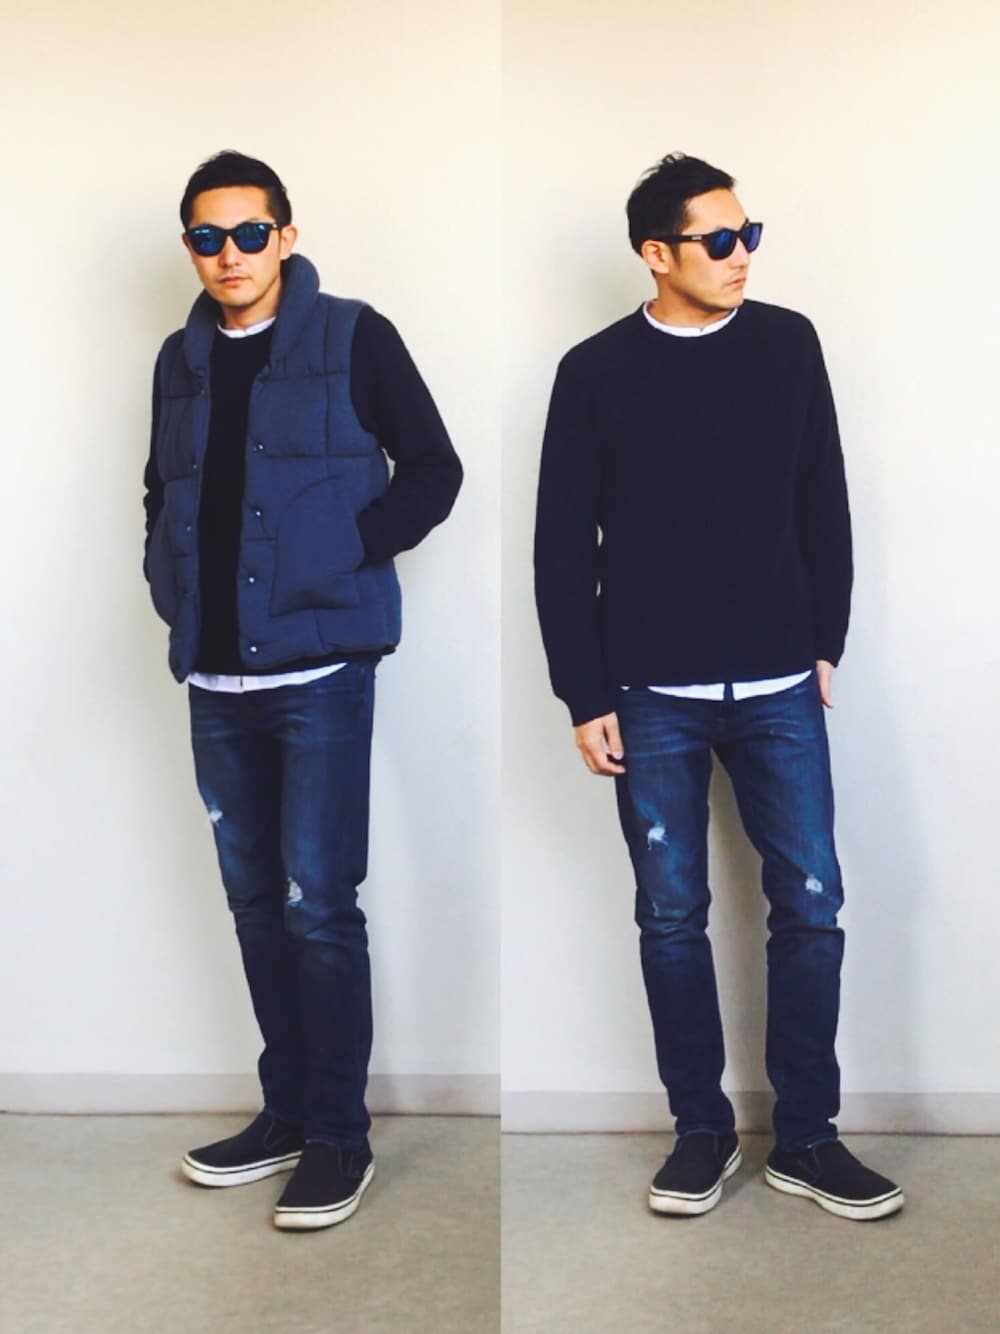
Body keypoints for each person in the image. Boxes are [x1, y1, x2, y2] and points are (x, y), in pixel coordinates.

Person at [533, 152, 902, 1221]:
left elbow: (822, 498)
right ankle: (699, 1131)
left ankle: (808, 1136)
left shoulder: (788, 343)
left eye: (751, 234)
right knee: (669, 914)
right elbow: (561, 543)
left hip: (781, 678)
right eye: (721, 239)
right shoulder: (594, 371)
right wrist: (582, 693)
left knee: (813, 903)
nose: (744, 255)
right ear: (657, 254)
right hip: (649, 690)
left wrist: (826, 638)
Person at [143, 151, 462, 1230]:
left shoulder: (354, 336)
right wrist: (167, 580)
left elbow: (435, 470)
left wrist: (342, 551)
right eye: (207, 237)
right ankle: (285, 1112)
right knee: (252, 902)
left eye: (249, 233)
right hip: (214, 674)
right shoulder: (179, 359)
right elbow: (161, 489)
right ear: (189, 247)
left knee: (318, 904)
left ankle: (337, 1136)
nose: (229, 255)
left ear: (285, 236)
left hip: (319, 673)